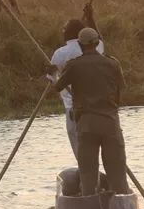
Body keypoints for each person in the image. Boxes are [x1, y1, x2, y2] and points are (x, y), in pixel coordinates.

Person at [53, 27, 129, 196]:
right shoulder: (112, 63)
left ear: (80, 44)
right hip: (110, 123)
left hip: (86, 125)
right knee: (117, 172)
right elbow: (120, 91)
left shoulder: (73, 65)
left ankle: (89, 199)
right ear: (97, 43)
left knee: (88, 174)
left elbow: (57, 86)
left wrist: (54, 72)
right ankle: (120, 200)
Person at [48, 5, 104, 159]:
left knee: (80, 150)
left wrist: (50, 72)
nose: (62, 30)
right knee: (95, 148)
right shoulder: (94, 48)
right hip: (97, 108)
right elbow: (98, 39)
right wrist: (91, 18)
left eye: (64, 28)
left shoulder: (60, 54)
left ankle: (88, 179)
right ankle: (95, 178)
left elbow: (52, 83)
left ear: (67, 32)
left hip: (74, 110)